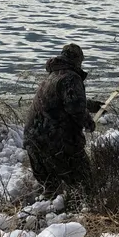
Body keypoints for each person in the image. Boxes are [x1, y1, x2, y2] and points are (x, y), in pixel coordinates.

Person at [23, 43, 103, 197]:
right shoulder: (71, 77)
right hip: (55, 144)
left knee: (51, 190)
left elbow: (61, 102)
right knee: (85, 183)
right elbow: (75, 108)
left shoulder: (53, 76)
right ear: (78, 61)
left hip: (33, 142)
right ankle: (84, 215)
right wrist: (89, 123)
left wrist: (89, 105)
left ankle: (47, 215)